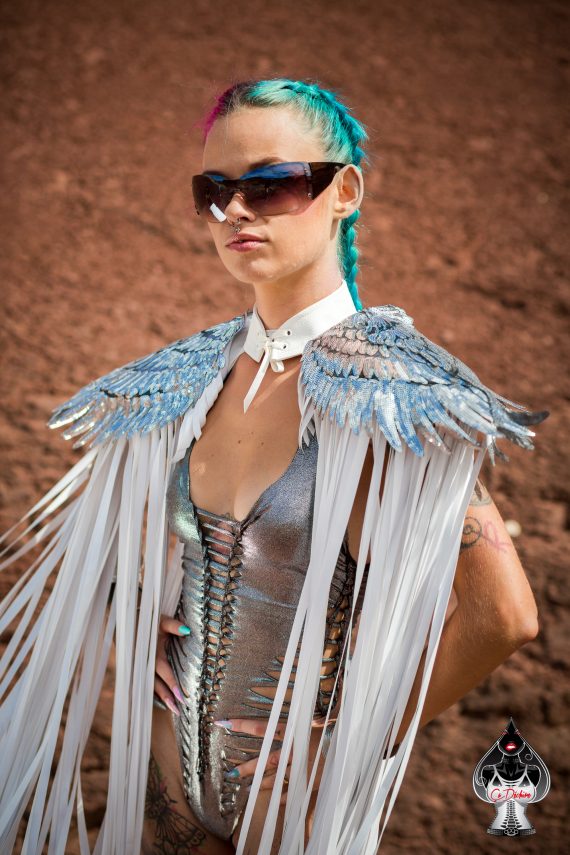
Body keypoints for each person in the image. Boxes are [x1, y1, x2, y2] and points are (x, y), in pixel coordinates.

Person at [0, 78, 548, 855]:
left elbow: (505, 615)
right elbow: (155, 550)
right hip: (168, 788)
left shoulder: (391, 394)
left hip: (291, 802)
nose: (235, 210)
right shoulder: (193, 378)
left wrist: (355, 736)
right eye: (214, 188)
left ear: (344, 190)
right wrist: (136, 613)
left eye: (271, 182)